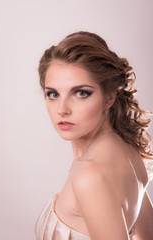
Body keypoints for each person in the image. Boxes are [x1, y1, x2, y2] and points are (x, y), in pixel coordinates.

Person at [35, 31, 153, 240]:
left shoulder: (91, 175)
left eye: (81, 93)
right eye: (53, 94)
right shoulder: (127, 149)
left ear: (109, 98)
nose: (62, 109)